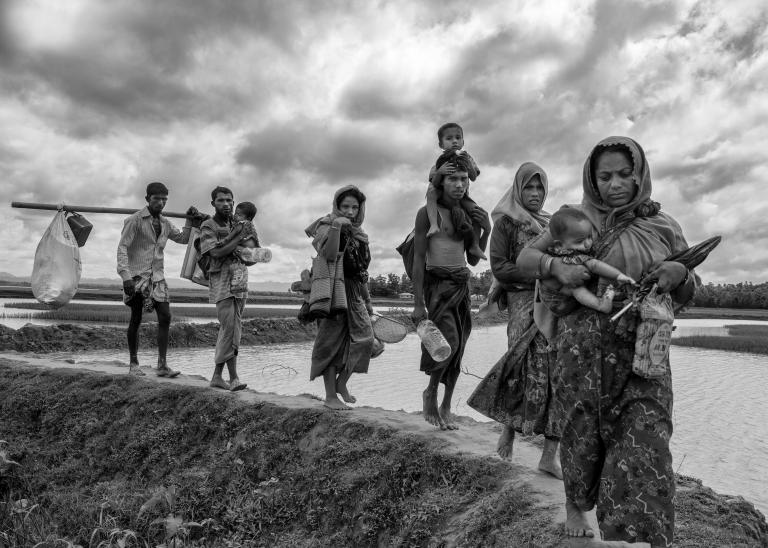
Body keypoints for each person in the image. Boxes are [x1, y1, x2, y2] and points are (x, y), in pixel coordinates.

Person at [517, 137, 697, 547]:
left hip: (644, 351)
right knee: (583, 433)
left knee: (647, 437)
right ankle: (576, 506)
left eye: (624, 174)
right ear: (592, 180)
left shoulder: (663, 226)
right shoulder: (575, 222)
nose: (615, 183)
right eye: (605, 176)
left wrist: (679, 274)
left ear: (640, 175)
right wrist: (554, 268)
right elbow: (526, 260)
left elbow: (690, 286)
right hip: (582, 351)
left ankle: (644, 534)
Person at [466, 162, 563, 478]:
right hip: (523, 305)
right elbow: (500, 268)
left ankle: (550, 456)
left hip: (552, 306)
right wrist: (541, 273)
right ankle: (508, 429)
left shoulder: (551, 224)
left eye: (539, 188)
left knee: (558, 377)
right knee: (519, 369)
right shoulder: (507, 223)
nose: (535, 193)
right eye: (529, 188)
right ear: (518, 190)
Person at [412, 152, 490, 430]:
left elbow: (472, 258)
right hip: (438, 285)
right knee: (449, 344)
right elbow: (418, 259)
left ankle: (446, 405)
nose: (459, 184)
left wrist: (486, 229)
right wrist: (418, 302)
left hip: (461, 285)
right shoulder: (426, 214)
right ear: (440, 182)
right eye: (453, 179)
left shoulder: (467, 214)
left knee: (458, 350)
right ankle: (430, 392)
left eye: (463, 179)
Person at [116, 181, 202, 377]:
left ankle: (162, 365)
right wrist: (125, 276)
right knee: (136, 318)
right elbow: (122, 248)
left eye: (164, 200)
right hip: (137, 276)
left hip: (158, 276)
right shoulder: (134, 220)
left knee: (165, 316)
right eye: (157, 199)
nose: (161, 203)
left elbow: (182, 238)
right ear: (148, 199)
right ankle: (134, 364)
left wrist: (190, 221)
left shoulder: (164, 223)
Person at [305, 185, 374, 410]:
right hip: (332, 291)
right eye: (345, 206)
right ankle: (330, 396)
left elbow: (362, 270)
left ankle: (341, 383)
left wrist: (368, 299)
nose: (350, 212)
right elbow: (330, 255)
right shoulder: (326, 226)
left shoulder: (360, 234)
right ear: (336, 206)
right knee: (330, 343)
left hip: (354, 292)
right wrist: (336, 227)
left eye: (355, 207)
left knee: (365, 340)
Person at [199, 186, 251, 392]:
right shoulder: (208, 225)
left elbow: (249, 252)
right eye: (221, 201)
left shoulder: (236, 224)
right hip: (221, 281)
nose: (226, 204)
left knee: (233, 328)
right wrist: (238, 238)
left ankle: (217, 376)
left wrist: (249, 248)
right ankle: (234, 378)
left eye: (230, 201)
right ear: (213, 203)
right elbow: (216, 253)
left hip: (240, 281)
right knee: (230, 328)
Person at [540, 208, 636, 317]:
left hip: (558, 292)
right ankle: (601, 305)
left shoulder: (563, 247)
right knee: (576, 288)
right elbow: (595, 265)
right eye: (580, 241)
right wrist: (619, 275)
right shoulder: (567, 257)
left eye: (589, 237)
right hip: (559, 302)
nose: (588, 243)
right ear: (559, 245)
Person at [426, 122, 489, 261]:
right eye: (449, 138)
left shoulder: (467, 157)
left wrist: (467, 165)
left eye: (458, 137)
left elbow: (473, 177)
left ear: (463, 141)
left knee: (477, 213)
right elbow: (434, 183)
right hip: (442, 195)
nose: (454, 141)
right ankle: (434, 225)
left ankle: (474, 245)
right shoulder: (441, 161)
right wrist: (440, 172)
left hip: (462, 197)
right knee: (430, 191)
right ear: (441, 145)